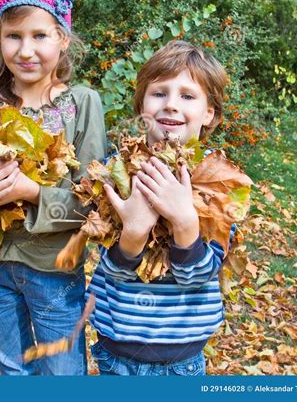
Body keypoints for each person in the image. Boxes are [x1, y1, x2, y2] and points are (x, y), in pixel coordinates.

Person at [0, 0, 106, 375]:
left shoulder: (82, 105)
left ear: (63, 39)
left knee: (62, 374)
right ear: (0, 38)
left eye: (40, 35)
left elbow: (93, 205)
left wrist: (32, 191)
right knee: (12, 369)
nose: (25, 49)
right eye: (13, 35)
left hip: (53, 271)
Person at [88, 40, 236, 376]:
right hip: (116, 352)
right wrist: (134, 233)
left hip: (181, 360)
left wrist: (185, 222)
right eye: (159, 94)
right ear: (142, 104)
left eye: (187, 96)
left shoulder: (220, 182)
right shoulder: (117, 170)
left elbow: (198, 276)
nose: (171, 105)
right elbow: (113, 271)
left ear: (209, 112)